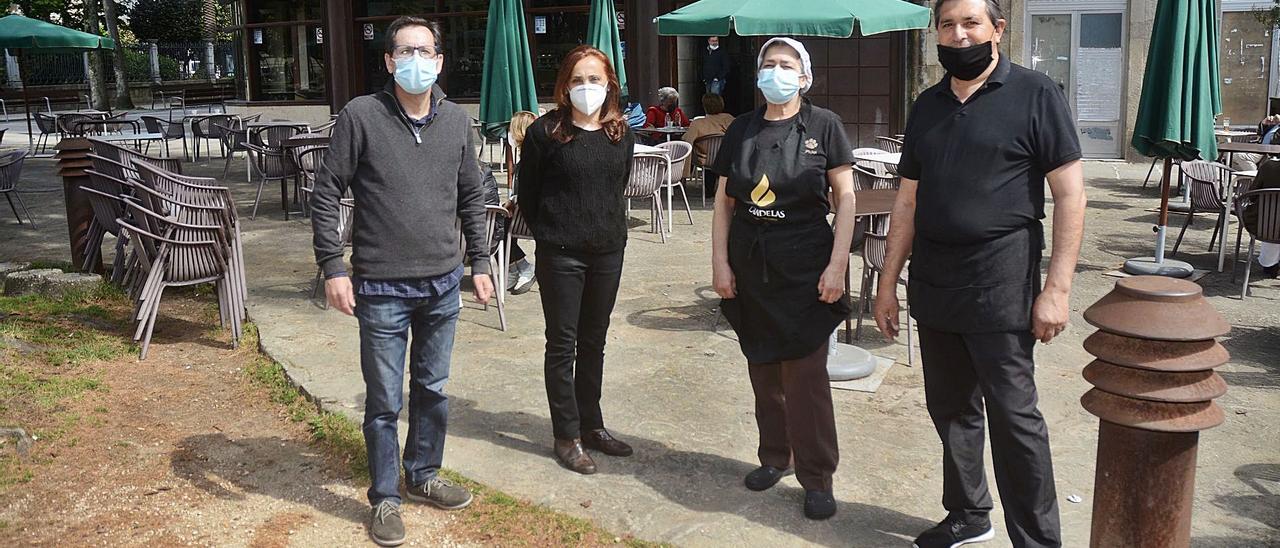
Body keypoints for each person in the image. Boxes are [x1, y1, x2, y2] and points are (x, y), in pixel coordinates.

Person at [871, 1, 1086, 547]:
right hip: (935, 279)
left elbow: (1070, 195)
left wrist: (1057, 289)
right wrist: (887, 282)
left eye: (971, 22)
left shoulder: (1037, 94)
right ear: (936, 33)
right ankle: (968, 513)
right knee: (950, 407)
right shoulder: (927, 106)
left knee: (1015, 418)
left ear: (998, 28)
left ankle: (1037, 540)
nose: (959, 34)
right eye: (948, 24)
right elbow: (907, 201)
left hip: (1002, 276)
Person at [310, 16, 494, 548]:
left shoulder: (458, 122)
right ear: (389, 61)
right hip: (381, 286)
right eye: (406, 51)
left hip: (442, 282)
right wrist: (333, 267)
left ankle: (424, 474)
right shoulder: (361, 116)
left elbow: (471, 198)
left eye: (426, 51)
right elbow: (327, 194)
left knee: (433, 389)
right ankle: (386, 496)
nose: (417, 60)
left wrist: (479, 262)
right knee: (385, 399)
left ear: (440, 60)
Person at [710, 37, 857, 521]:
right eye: (769, 64)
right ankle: (775, 456)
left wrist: (838, 265)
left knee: (806, 379)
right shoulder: (742, 130)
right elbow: (724, 203)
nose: (777, 71)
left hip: (808, 270)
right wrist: (720, 264)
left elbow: (846, 199)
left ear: (805, 76)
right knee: (763, 371)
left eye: (786, 65)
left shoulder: (825, 126)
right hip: (752, 269)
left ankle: (817, 476)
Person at [516, 45, 636, 475]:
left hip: (608, 251)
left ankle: (593, 425)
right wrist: (553, 232)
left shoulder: (620, 132)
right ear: (565, 86)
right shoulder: (545, 132)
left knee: (595, 341)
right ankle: (566, 435)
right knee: (562, 345)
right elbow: (527, 194)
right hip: (561, 254)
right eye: (578, 80)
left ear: (610, 85)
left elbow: (617, 187)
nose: (588, 88)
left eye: (595, 79)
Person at [505, 110, 537, 294]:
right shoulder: (526, 158)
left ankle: (521, 265)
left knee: (494, 226)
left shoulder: (530, 160)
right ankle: (514, 267)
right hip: (524, 212)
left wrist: (514, 202)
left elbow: (530, 190)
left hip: (530, 216)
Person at [682, 93, 735, 188]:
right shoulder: (730, 119)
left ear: (704, 106)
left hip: (705, 159)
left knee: (698, 152)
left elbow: (687, 140)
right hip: (726, 157)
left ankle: (688, 184)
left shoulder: (698, 123)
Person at [1243, 157, 1280, 279]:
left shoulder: (1268, 167)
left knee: (1269, 216)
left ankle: (1270, 263)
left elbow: (1252, 196)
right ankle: (1271, 262)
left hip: (1264, 225)